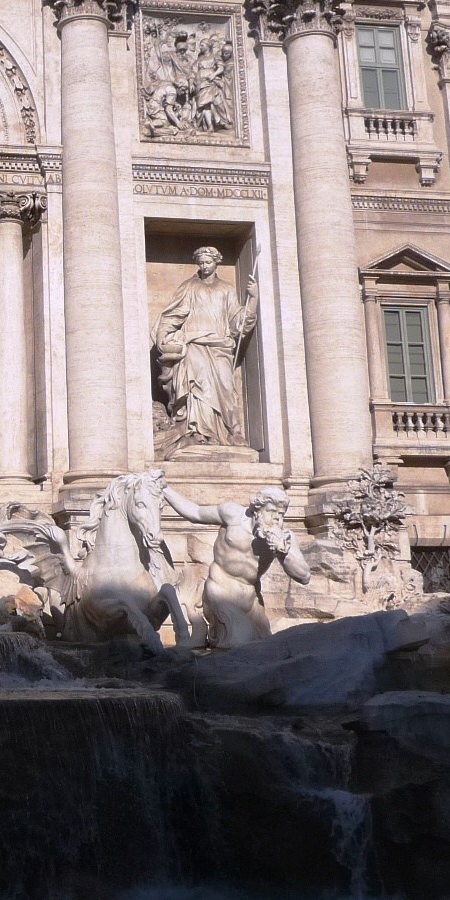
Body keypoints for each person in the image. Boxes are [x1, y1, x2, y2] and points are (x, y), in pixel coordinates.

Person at [159, 483, 310, 649]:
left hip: (251, 598)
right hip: (221, 589)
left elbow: (303, 576)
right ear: (257, 509)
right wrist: (165, 490)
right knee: (241, 641)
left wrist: (283, 552)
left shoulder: (284, 537)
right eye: (271, 512)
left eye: (281, 514)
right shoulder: (232, 515)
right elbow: (195, 512)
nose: (276, 519)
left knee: (262, 646)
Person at [153, 248, 258, 448]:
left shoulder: (226, 289)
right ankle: (197, 432)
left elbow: (238, 321)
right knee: (197, 388)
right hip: (194, 345)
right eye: (201, 263)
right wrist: (163, 335)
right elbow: (174, 315)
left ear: (216, 263)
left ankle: (230, 433)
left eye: (208, 262)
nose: (204, 266)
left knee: (226, 389)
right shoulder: (189, 287)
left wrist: (253, 299)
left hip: (220, 347)